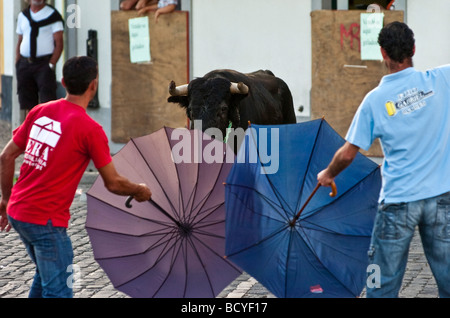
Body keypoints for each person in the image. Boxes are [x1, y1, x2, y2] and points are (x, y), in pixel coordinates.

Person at [0, 56, 152, 298]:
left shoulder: (40, 110)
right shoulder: (90, 129)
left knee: (45, 276)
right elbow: (113, 183)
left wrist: (6, 200)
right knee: (59, 290)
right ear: (94, 85)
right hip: (45, 221)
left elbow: (6, 157)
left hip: (18, 212)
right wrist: (138, 190)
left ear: (63, 82)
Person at [317, 22, 450, 298]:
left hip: (397, 203)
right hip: (441, 198)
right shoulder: (442, 80)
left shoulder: (374, 101)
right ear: (413, 49)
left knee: (381, 284)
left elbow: (348, 153)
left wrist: (328, 174)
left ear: (383, 54)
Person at [16, 0, 64, 122]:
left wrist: (51, 64)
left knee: (47, 100)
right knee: (28, 101)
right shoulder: (23, 16)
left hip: (43, 65)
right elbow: (20, 39)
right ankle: (30, 131)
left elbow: (59, 43)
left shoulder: (52, 15)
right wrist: (18, 62)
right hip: (25, 64)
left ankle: (48, 130)